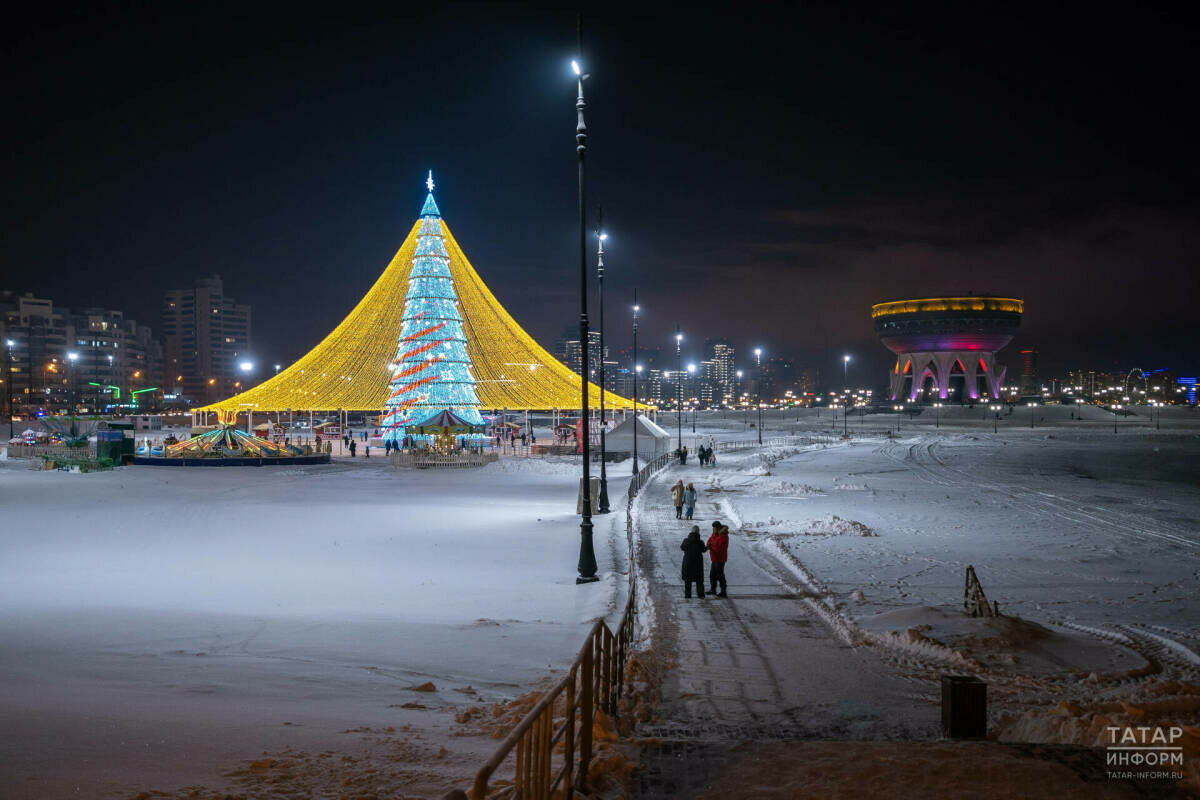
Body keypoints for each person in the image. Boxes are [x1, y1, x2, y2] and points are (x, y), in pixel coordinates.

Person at [680, 526, 708, 598]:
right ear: (698, 532)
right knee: (699, 580)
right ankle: (700, 595)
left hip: (687, 562)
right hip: (697, 563)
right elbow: (704, 550)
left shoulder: (686, 540)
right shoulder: (700, 542)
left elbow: (682, 547)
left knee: (687, 580)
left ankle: (688, 595)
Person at [707, 521, 729, 597]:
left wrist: (711, 547)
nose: (713, 529)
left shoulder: (723, 536)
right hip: (714, 558)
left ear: (718, 528)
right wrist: (709, 545)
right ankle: (713, 589)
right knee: (712, 574)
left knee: (720, 575)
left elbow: (720, 548)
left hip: (720, 559)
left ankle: (723, 591)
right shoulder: (714, 534)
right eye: (713, 528)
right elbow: (709, 541)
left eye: (714, 528)